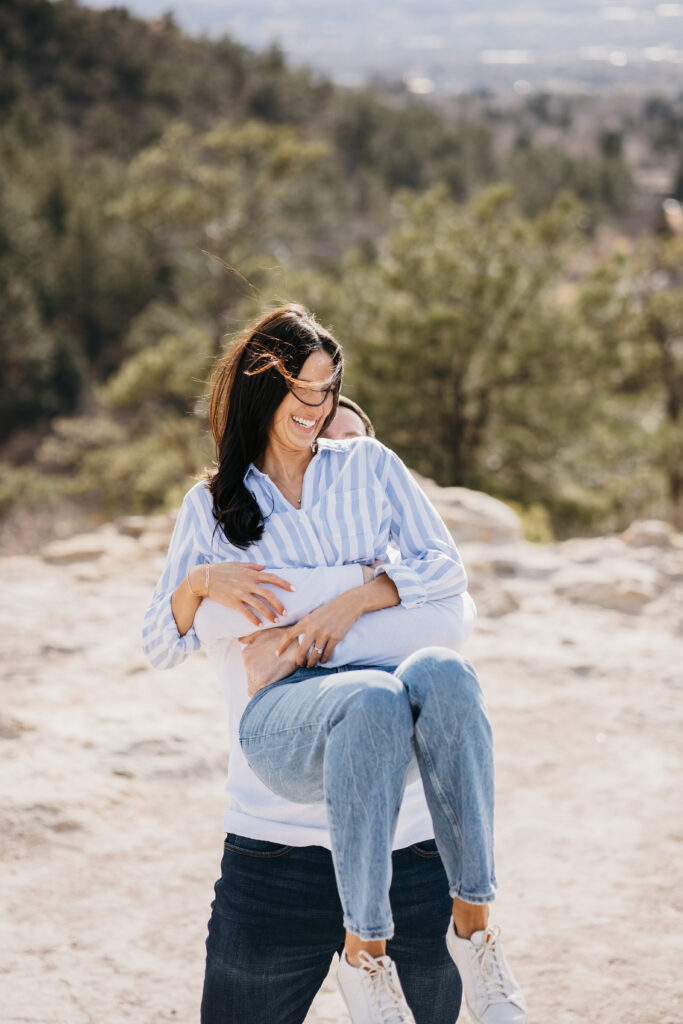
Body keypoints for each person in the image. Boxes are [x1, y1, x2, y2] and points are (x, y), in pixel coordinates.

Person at [142, 303, 526, 1024]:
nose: (317, 408)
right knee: (376, 699)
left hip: (408, 849)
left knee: (443, 671)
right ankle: (360, 948)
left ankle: (472, 932)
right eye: (302, 390)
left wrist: (337, 607)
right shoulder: (212, 507)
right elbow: (161, 645)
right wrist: (198, 586)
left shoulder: (371, 468)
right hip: (276, 834)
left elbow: (446, 583)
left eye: (327, 389)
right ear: (260, 387)